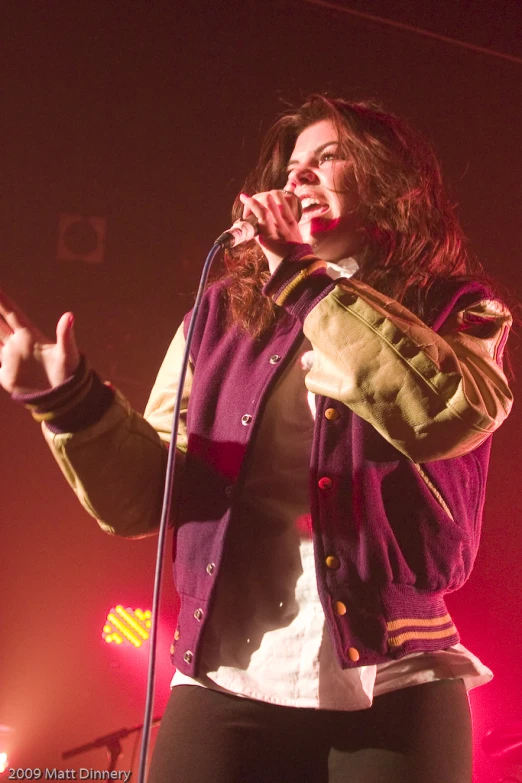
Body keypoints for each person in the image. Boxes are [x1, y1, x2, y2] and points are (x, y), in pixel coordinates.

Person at [0, 95, 513, 782]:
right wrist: (69, 400)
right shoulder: (218, 317)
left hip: (396, 680)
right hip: (223, 678)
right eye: (293, 165)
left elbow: (449, 412)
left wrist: (303, 278)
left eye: (329, 159)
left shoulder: (460, 305)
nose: (300, 177)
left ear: (392, 184)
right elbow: (147, 498)